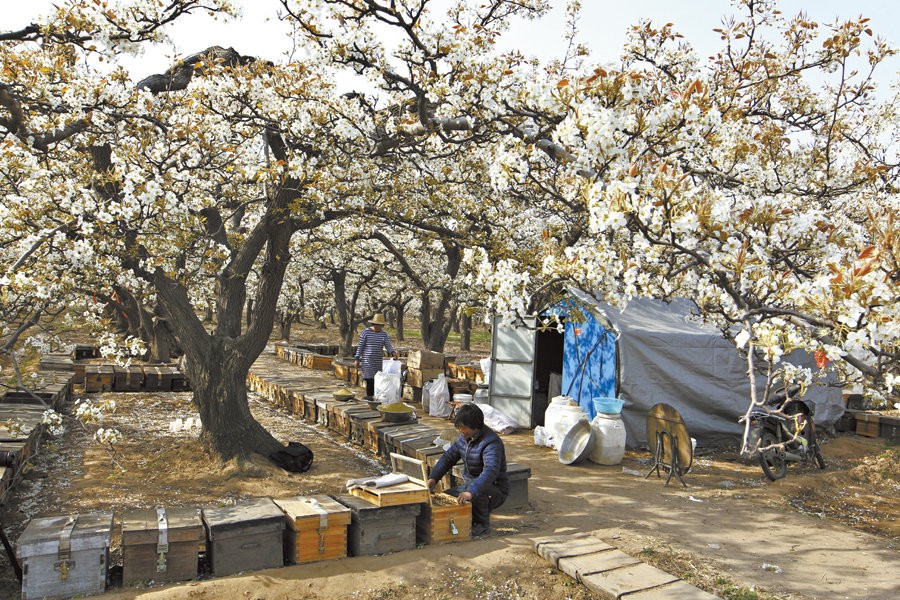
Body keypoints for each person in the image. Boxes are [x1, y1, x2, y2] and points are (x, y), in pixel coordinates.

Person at [427, 403, 509, 537]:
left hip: (494, 489)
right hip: (470, 485)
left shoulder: (492, 443)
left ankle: (482, 525)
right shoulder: (463, 438)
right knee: (446, 498)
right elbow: (448, 458)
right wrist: (433, 478)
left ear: (475, 426)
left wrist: (470, 492)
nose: (460, 430)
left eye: (463, 428)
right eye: (459, 427)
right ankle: (464, 521)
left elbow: (490, 472)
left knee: (474, 489)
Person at [354, 313, 398, 397]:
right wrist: (357, 359)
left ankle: (376, 398)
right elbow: (360, 346)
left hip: (378, 361)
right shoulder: (366, 332)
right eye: (377, 325)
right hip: (368, 361)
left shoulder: (383, 334)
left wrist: (393, 352)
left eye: (380, 325)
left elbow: (388, 344)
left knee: (377, 380)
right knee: (370, 380)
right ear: (373, 324)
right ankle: (370, 398)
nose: (379, 327)